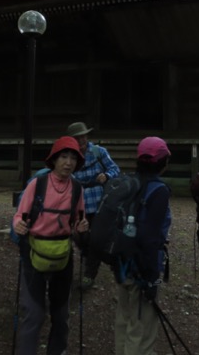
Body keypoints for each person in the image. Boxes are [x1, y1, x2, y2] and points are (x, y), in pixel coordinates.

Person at [12, 136, 89, 355]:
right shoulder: (38, 184)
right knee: (34, 313)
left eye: (73, 158)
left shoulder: (76, 188)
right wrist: (18, 226)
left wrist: (81, 229)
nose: (68, 162)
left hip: (63, 253)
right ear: (53, 159)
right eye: (64, 157)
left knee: (61, 314)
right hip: (33, 252)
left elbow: (77, 223)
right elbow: (20, 215)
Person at [114, 136, 172, 355]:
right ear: (163, 162)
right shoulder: (159, 191)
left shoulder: (129, 183)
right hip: (143, 266)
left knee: (124, 318)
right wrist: (151, 277)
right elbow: (150, 237)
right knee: (143, 326)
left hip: (122, 261)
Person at [67, 121, 121, 289]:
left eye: (83, 136)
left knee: (97, 238)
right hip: (78, 202)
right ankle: (91, 255)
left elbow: (115, 169)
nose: (81, 140)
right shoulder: (69, 156)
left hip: (99, 201)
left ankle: (90, 273)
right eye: (77, 138)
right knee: (79, 236)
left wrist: (106, 175)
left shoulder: (99, 152)